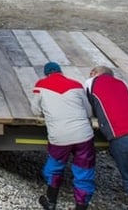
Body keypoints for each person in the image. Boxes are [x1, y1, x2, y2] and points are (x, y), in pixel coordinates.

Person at [85, 66, 128, 210]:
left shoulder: (92, 82)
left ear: (95, 73)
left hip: (121, 136)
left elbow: (88, 109)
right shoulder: (121, 84)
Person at [31, 60, 96, 210]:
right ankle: (81, 205)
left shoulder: (40, 85)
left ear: (47, 74)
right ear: (61, 72)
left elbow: (35, 110)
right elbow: (89, 112)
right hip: (84, 135)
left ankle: (51, 201)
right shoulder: (77, 85)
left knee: (54, 167)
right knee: (84, 170)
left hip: (60, 136)